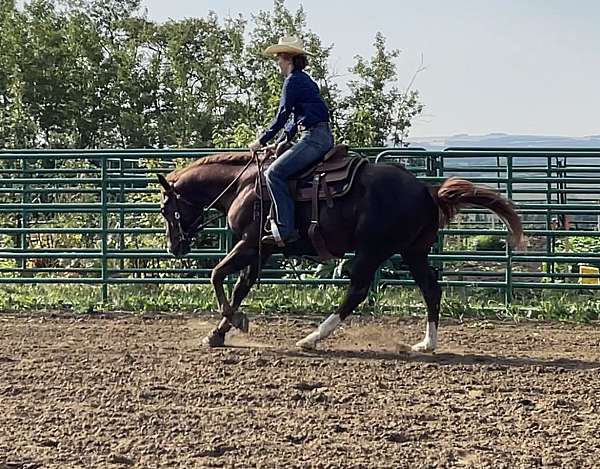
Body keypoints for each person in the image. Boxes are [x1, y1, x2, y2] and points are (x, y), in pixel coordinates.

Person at [249, 36, 334, 246]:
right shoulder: (303, 80)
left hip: (314, 138)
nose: (277, 62)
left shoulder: (293, 81)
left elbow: (283, 115)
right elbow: (295, 119)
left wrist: (260, 141)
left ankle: (286, 228)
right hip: (318, 135)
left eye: (278, 58)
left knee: (274, 173)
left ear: (287, 58)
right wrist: (280, 141)